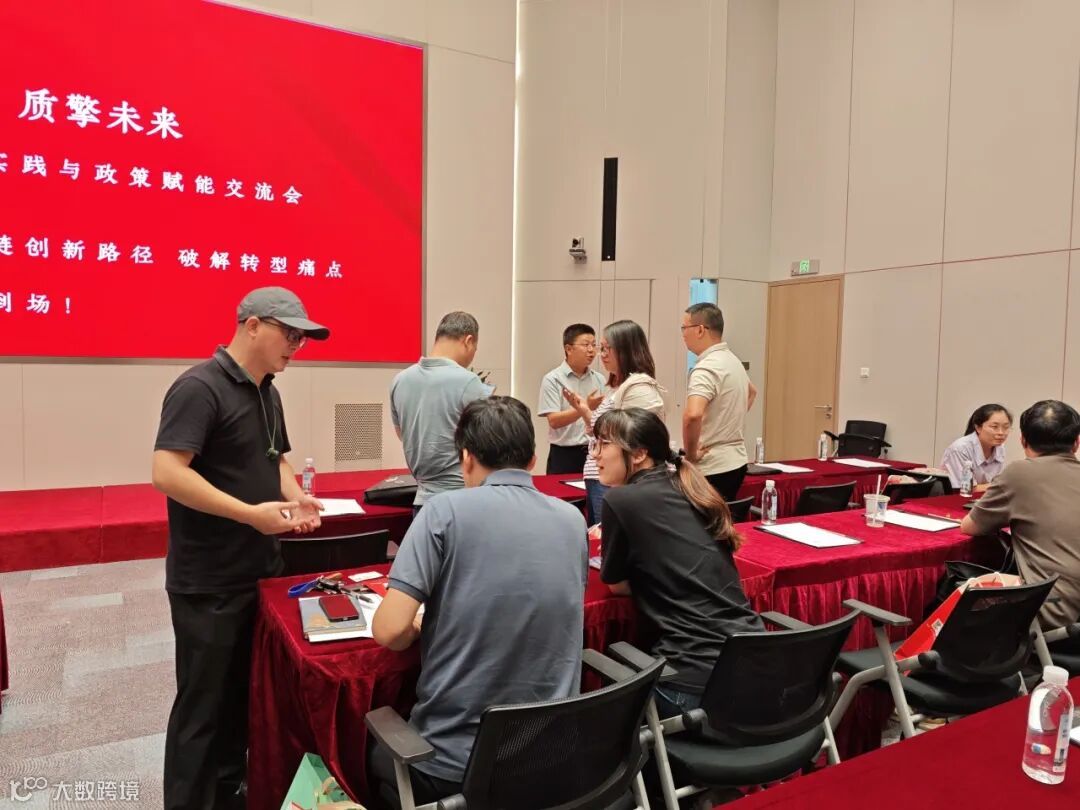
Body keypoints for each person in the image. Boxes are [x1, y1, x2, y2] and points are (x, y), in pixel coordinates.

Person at [152, 287, 329, 810]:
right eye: (289, 333)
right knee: (202, 710)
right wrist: (249, 514)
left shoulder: (267, 391)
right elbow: (166, 472)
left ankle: (230, 796)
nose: (295, 345)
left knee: (242, 703)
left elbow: (277, 459)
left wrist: (295, 497)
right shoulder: (198, 388)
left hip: (260, 574)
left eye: (301, 338)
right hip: (209, 581)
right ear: (252, 325)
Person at [368, 397, 588, 806]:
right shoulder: (573, 520)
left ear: (466, 458)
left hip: (452, 768)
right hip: (550, 759)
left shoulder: (442, 512)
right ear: (533, 459)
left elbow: (389, 631)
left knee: (372, 754)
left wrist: (417, 626)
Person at [593, 407, 763, 717]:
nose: (595, 454)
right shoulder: (690, 487)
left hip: (693, 687)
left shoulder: (620, 500)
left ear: (639, 453)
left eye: (604, 444)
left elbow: (616, 586)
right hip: (755, 671)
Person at [960, 400, 1080, 628]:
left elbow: (970, 526)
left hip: (1051, 610)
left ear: (1023, 440)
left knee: (958, 593)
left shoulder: (1019, 473)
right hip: (1072, 614)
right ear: (1076, 443)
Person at [564, 319, 665, 525]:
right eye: (601, 348)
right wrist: (584, 410)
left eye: (606, 348)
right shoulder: (616, 387)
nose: (601, 354)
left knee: (609, 535)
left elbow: (637, 436)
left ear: (626, 349)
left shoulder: (638, 388)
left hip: (616, 475)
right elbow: (604, 432)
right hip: (600, 473)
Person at [390, 311, 492, 510]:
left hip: (422, 503)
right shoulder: (469, 381)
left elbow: (403, 434)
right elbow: (488, 443)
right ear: (468, 341)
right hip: (463, 502)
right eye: (475, 348)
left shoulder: (400, 380)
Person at [679, 303, 757, 502]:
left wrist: (690, 455)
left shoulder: (706, 368)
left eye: (684, 328)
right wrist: (727, 421)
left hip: (711, 465)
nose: (682, 334)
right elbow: (752, 392)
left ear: (700, 330)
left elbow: (693, 415)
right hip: (737, 461)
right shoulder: (732, 361)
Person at [537, 324, 608, 474]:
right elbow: (554, 421)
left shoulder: (600, 379)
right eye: (586, 345)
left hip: (594, 452)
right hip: (563, 454)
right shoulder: (553, 379)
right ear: (568, 349)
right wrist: (585, 408)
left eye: (593, 345)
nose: (591, 350)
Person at [940, 403, 1012, 490]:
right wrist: (1004, 485)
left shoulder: (1000, 447)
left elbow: (997, 482)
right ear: (978, 428)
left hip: (987, 497)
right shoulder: (960, 449)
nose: (1001, 432)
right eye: (994, 427)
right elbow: (966, 489)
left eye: (1006, 427)